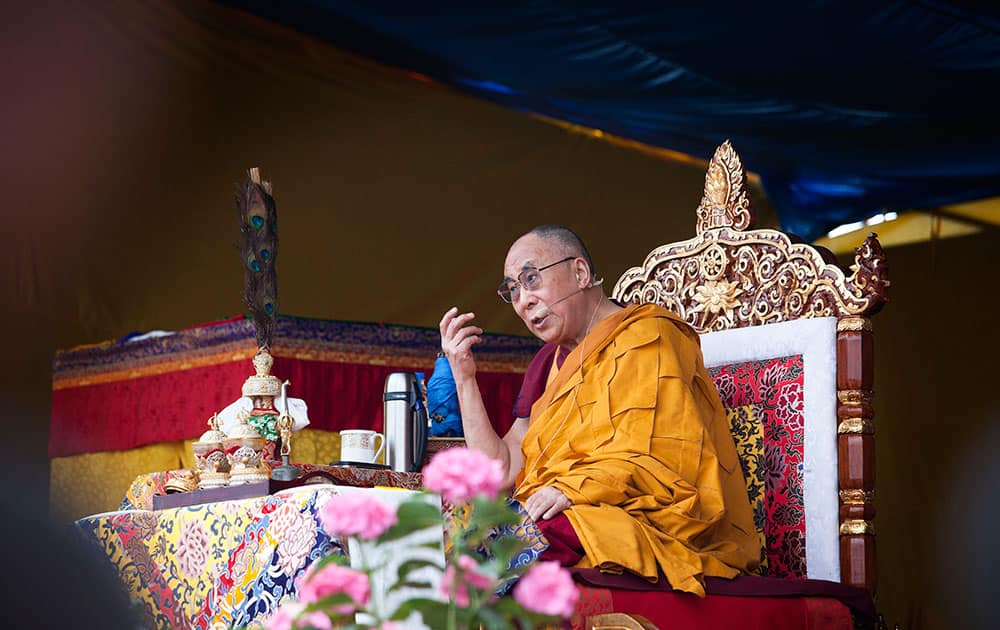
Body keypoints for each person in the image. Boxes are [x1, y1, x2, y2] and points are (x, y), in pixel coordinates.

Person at [438, 225, 759, 596]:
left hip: (647, 522)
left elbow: (669, 461)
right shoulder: (548, 364)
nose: (523, 300)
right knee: (430, 537)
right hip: (564, 511)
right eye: (513, 289)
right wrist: (464, 378)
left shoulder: (648, 337)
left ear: (580, 273)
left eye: (531, 279)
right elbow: (501, 472)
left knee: (497, 549)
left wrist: (576, 488)